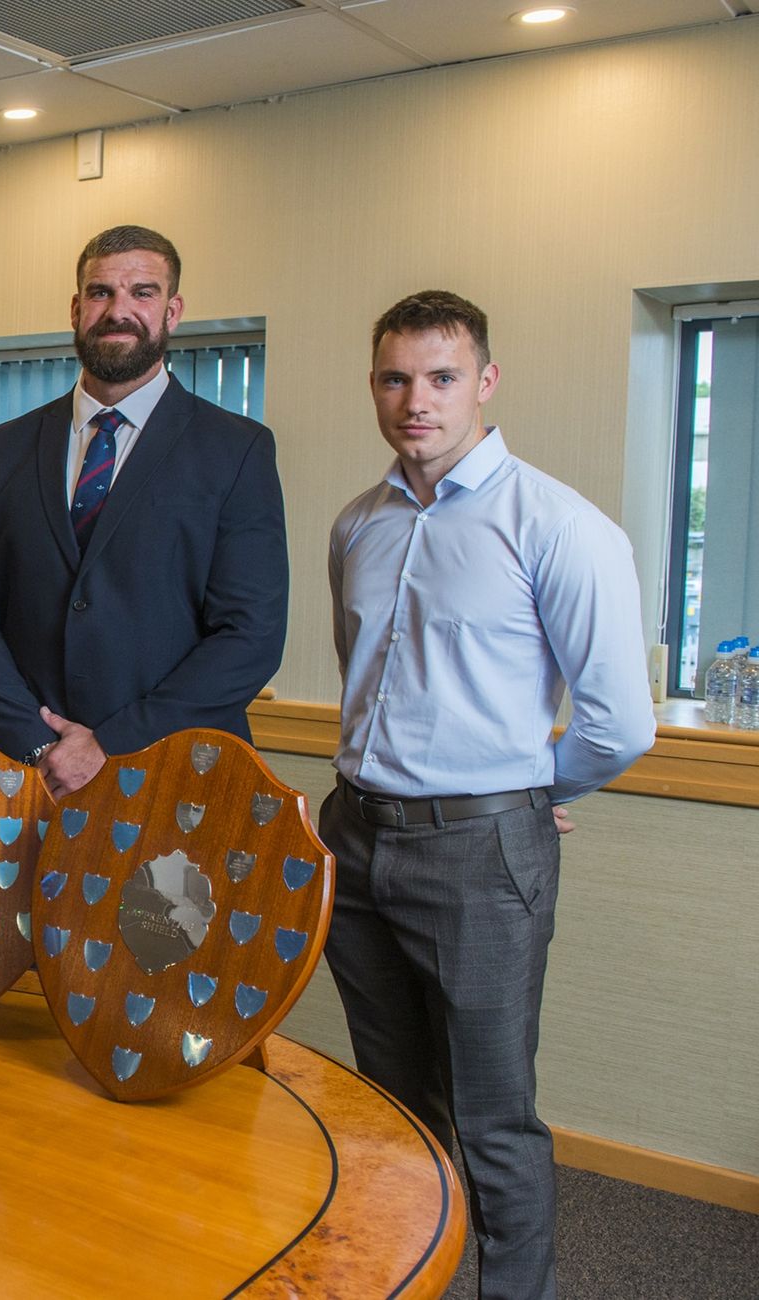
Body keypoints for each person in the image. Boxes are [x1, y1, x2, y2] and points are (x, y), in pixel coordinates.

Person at [325, 290, 656, 1299]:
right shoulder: (356, 523)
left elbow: (617, 724)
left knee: (490, 1112)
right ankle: (403, 1274)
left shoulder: (556, 525)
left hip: (477, 857)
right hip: (357, 841)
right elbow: (364, 684)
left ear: (484, 383)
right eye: (393, 378)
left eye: (439, 377)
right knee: (391, 1101)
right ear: (374, 385)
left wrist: (521, 793)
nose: (413, 401)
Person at [0, 225, 288, 798]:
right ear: (77, 308)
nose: (118, 311)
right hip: (33, 777)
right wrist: (40, 745)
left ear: (173, 311)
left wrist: (109, 743)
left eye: (142, 293)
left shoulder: (237, 449)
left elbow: (250, 635)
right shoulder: (5, 448)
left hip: (179, 778)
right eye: (101, 293)